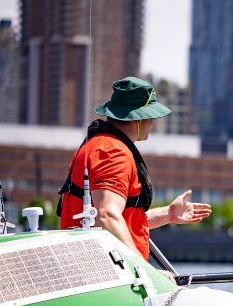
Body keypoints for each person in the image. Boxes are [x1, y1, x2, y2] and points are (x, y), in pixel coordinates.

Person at [58, 76, 211, 261]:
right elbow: (106, 216)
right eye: (151, 115)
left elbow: (118, 218)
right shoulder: (112, 151)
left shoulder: (101, 145)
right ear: (138, 118)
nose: (153, 121)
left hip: (95, 267)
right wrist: (145, 270)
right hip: (109, 273)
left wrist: (168, 214)